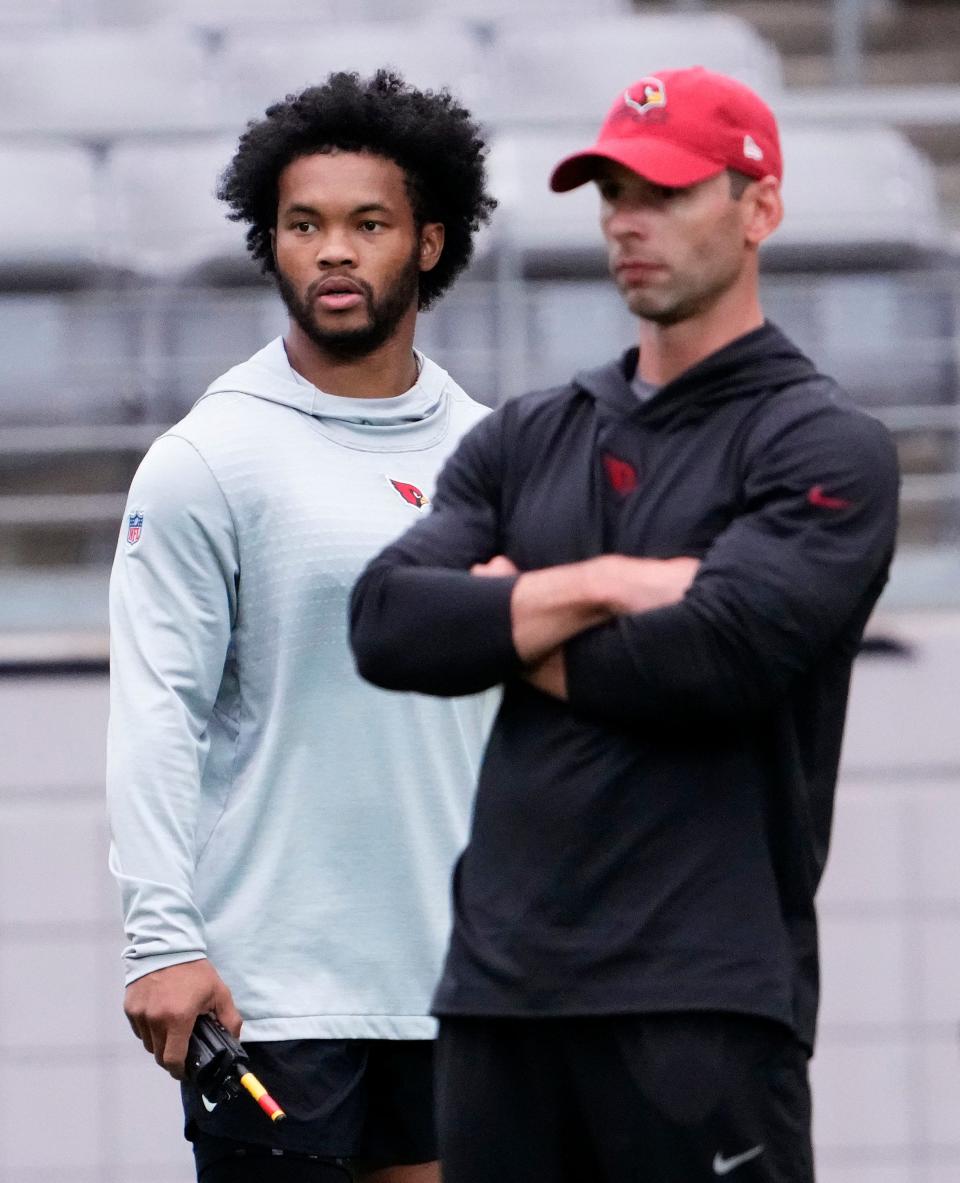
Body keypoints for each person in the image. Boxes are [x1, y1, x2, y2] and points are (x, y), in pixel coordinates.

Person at [350, 67, 900, 1183]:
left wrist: (505, 616)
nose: (626, 222)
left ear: (760, 208)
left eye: (665, 191)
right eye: (610, 193)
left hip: (701, 996)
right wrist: (605, 582)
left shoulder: (823, 444)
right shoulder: (528, 433)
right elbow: (388, 625)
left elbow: (714, 657)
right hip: (497, 997)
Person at [106, 70, 496, 1183]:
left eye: (367, 223)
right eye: (304, 224)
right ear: (268, 242)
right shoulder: (207, 458)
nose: (333, 250)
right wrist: (161, 937)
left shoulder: (493, 451)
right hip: (276, 992)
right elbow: (154, 715)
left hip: (463, 986)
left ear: (427, 241)